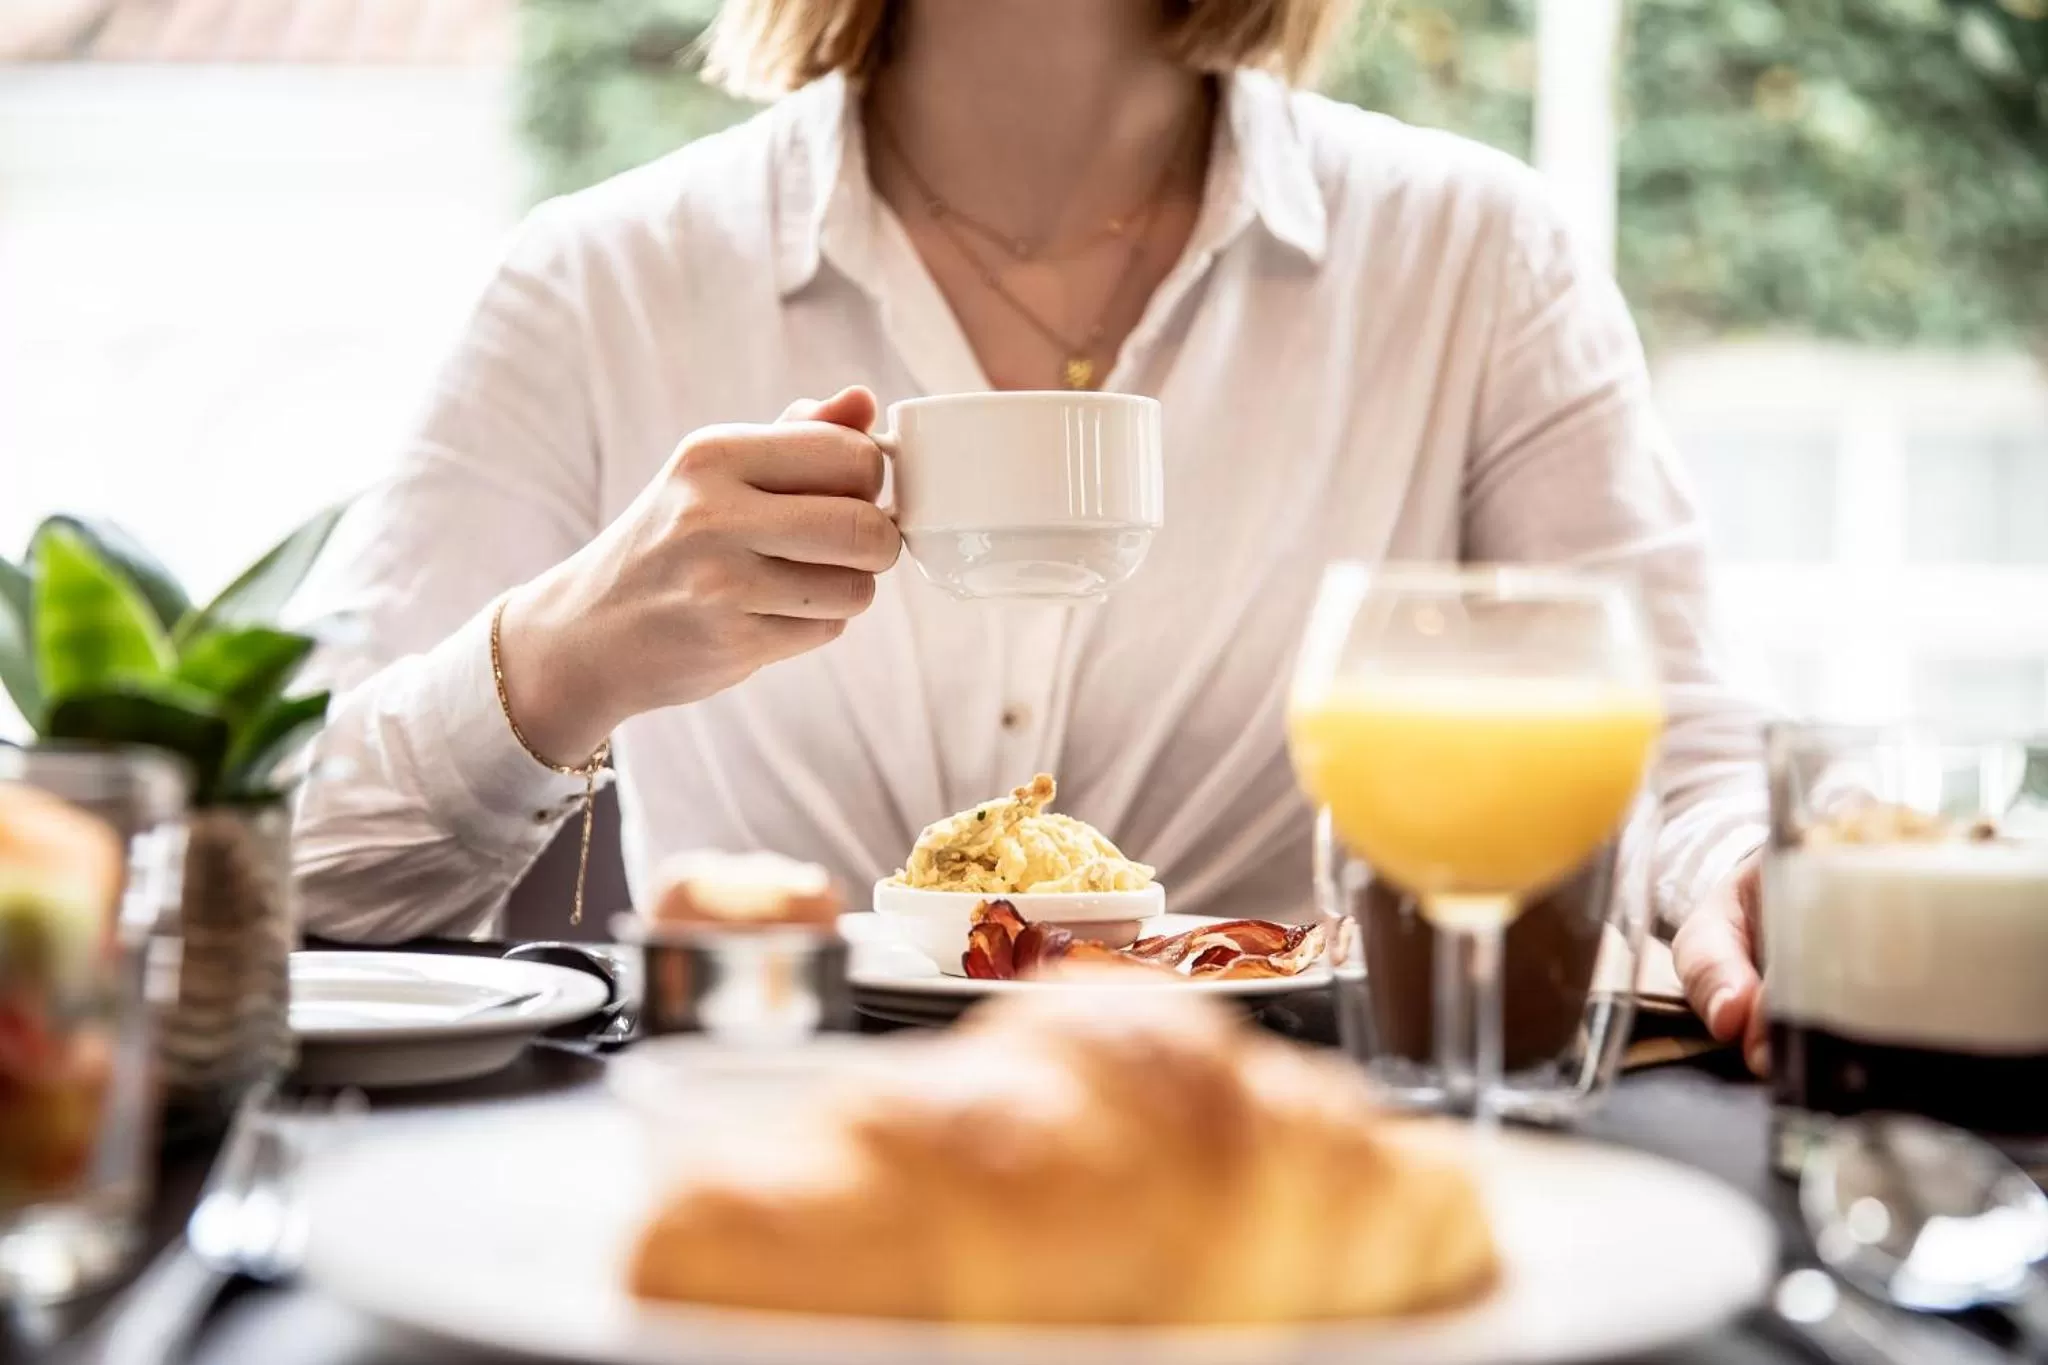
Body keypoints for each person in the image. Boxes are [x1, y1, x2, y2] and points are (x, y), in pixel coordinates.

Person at [293, 0, 1773, 1071]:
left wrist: (1742, 880)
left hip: (1260, 1176)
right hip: (761, 1161)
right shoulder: (599, 281)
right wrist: (551, 664)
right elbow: (291, 885)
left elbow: (1674, 755)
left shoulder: (1473, 257)